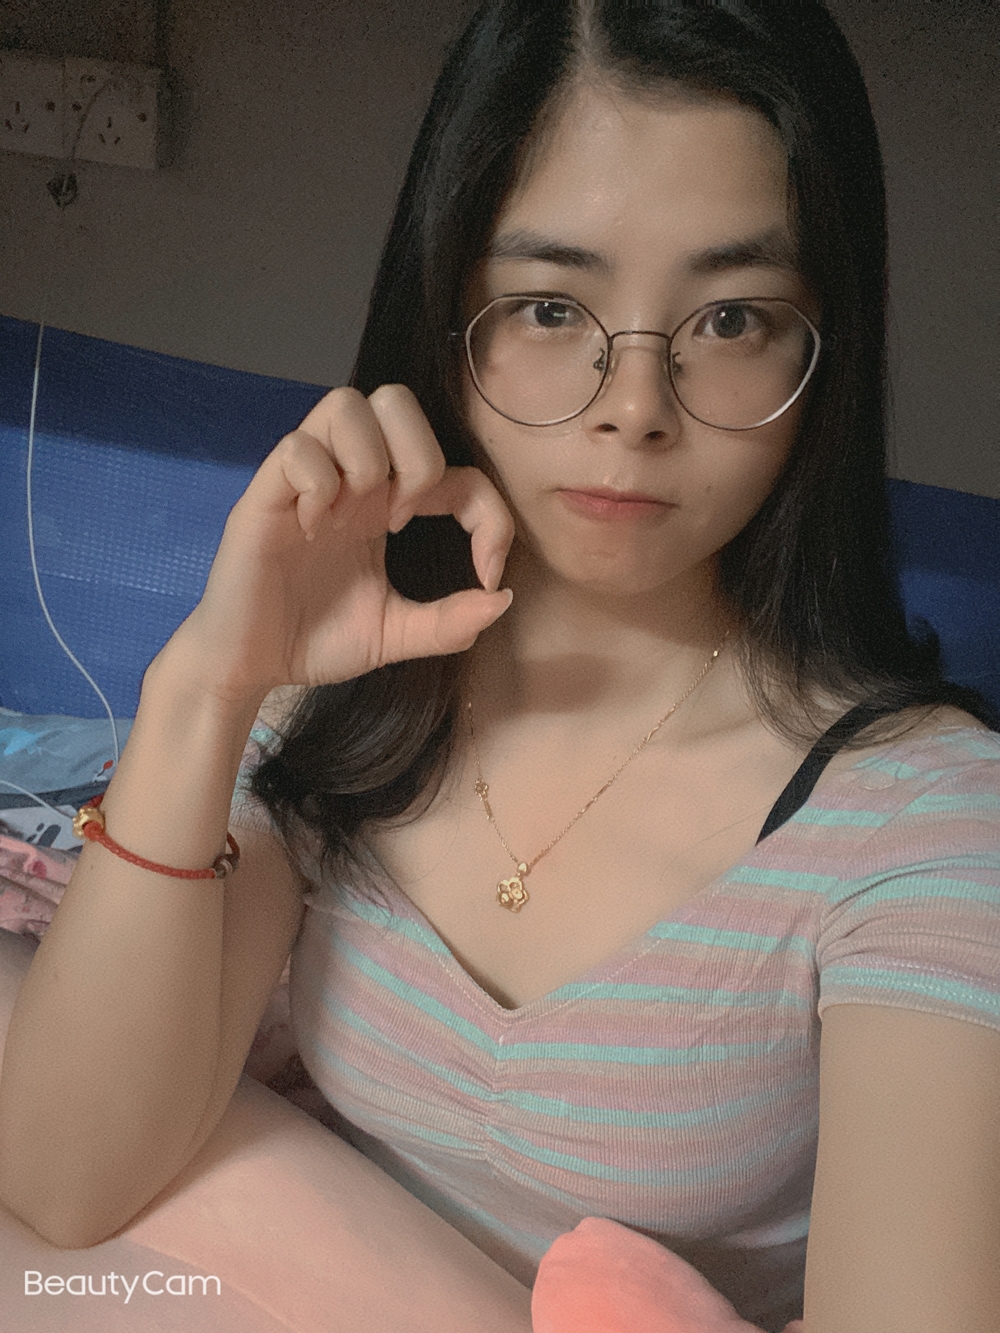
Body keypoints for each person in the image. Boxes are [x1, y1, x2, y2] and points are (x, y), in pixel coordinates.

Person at [1, 2, 998, 1331]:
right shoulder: (352, 695)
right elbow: (67, 1178)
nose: (633, 407)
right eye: (548, 307)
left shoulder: (925, 824)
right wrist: (207, 686)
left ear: (822, 353)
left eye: (731, 319)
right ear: (448, 316)